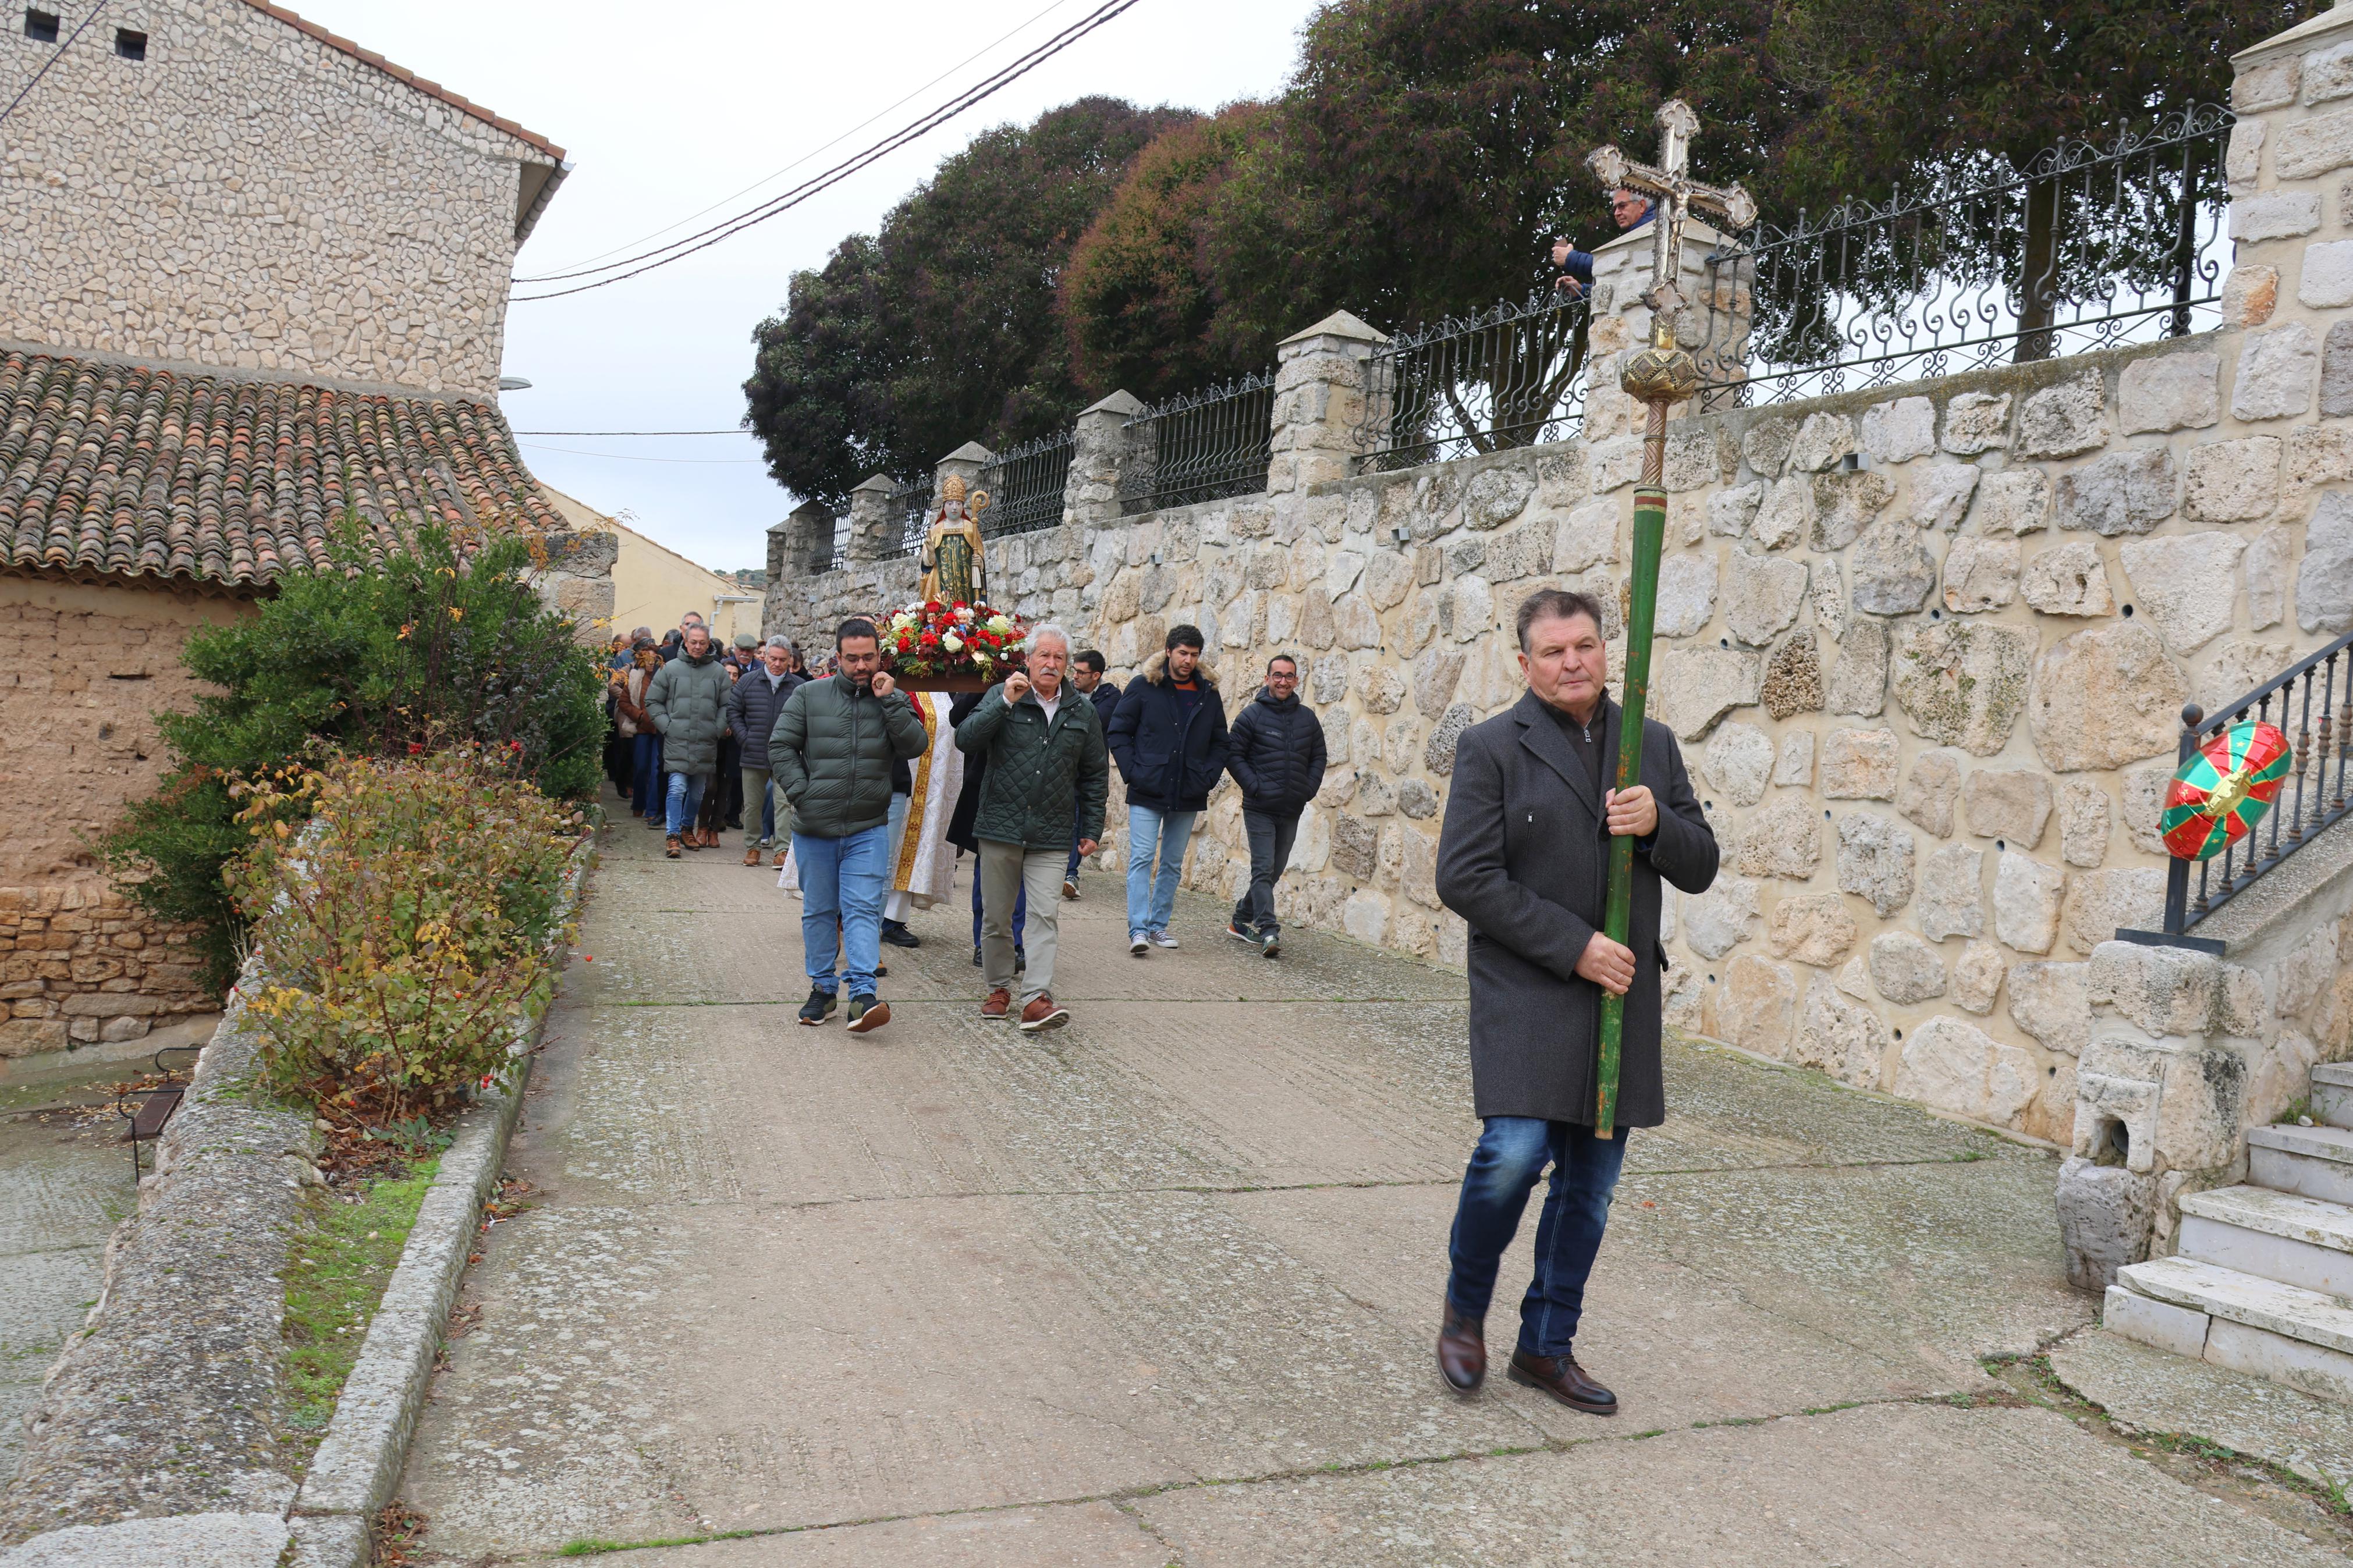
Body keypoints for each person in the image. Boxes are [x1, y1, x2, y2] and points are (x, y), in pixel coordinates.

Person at [1430, 588, 1717, 1416]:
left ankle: (1545, 1345)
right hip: (1528, 985)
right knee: (1514, 1153)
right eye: (1552, 651)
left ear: (1604, 648)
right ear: (1525, 662)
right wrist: (1572, 944)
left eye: (1584, 645)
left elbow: (1700, 863)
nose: (1571, 663)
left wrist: (1657, 823)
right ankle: (1464, 1309)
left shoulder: (1649, 744)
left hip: (1617, 996)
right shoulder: (1490, 746)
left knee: (1588, 1186)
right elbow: (1463, 876)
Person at [769, 617, 928, 1034]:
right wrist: (802, 794)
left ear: (880, 657)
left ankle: (862, 994)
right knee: (820, 911)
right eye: (853, 658)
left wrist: (890, 701)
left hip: (867, 826)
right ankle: (823, 989)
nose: (861, 666)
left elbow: (915, 745)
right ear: (838, 657)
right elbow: (781, 746)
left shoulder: (892, 698)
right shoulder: (809, 695)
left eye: (868, 657)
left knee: (862, 909)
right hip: (814, 827)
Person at [954, 624, 1108, 1032]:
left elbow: (1095, 774)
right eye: (1044, 655)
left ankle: (1036, 998)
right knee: (996, 918)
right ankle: (998, 988)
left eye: (1059, 657)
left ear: (1067, 665)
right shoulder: (1003, 695)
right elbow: (966, 739)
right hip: (1000, 827)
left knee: (1043, 916)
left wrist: (1092, 827)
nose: (1051, 663)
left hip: (1052, 833)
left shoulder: (1082, 711)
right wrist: (1004, 702)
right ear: (1028, 659)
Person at [1107, 625, 1228, 956]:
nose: (1188, 661)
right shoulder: (1144, 686)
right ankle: (1138, 929)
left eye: (1194, 655)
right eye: (1183, 653)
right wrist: (1134, 772)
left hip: (1188, 790)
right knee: (1142, 858)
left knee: (1173, 862)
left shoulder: (1208, 693)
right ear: (1169, 651)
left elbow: (1221, 742)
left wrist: (1207, 777)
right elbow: (1118, 731)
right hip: (1148, 787)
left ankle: (1158, 925)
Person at [1223, 653, 1326, 959]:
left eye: (1289, 676)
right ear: (1267, 679)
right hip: (1259, 808)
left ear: (1297, 681)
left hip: (1291, 808)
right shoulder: (1251, 716)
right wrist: (1254, 787)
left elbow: (1319, 756)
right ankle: (1268, 930)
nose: (1283, 681)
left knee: (1275, 871)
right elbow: (1233, 755)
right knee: (1263, 867)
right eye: (1277, 675)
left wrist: (1307, 790)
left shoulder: (1308, 718)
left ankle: (1240, 919)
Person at [946, 689, 1024, 972]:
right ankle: (985, 942)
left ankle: (1015, 943)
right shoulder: (993, 687)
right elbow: (958, 720)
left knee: (1024, 875)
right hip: (990, 789)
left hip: (1033, 798)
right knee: (988, 872)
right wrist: (986, 684)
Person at [644, 623, 733, 859]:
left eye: (702, 643)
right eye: (693, 642)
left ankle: (686, 828)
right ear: (685, 641)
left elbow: (727, 705)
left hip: (705, 742)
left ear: (708, 644)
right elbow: (653, 701)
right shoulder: (670, 669)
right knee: (677, 788)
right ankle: (672, 835)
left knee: (697, 793)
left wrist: (717, 729)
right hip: (677, 740)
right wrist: (667, 726)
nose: (697, 646)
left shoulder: (718, 672)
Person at [726, 635, 804, 866]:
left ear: (789, 660)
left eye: (782, 660)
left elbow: (807, 719)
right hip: (754, 752)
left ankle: (782, 849)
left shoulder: (799, 687)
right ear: (765, 657)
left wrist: (797, 744)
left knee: (784, 803)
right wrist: (745, 738)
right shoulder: (748, 681)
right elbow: (734, 712)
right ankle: (753, 847)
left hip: (786, 755)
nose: (777, 664)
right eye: (773, 659)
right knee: (752, 804)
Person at [1060, 651, 1117, 899]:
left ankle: (1070, 873)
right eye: (1074, 670)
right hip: (1067, 767)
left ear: (1096, 676)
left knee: (1081, 821)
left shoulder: (1111, 696)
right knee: (1071, 819)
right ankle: (1068, 873)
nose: (1075, 676)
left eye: (1081, 673)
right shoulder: (1066, 692)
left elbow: (1093, 720)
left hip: (1092, 769)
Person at [1549, 188, 1657, 298]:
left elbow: (1617, 264)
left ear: (1642, 206)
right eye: (1615, 208)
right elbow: (1624, 284)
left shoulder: (1651, 229)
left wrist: (1570, 258)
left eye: (1622, 206)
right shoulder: (1648, 227)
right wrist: (1582, 290)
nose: (1617, 213)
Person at [612, 638, 664, 827]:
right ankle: (638, 804)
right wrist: (640, 716)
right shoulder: (634, 677)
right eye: (647, 659)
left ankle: (652, 810)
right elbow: (624, 702)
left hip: (659, 730)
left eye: (653, 660)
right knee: (641, 768)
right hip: (641, 729)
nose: (650, 663)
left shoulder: (665, 677)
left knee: (656, 770)